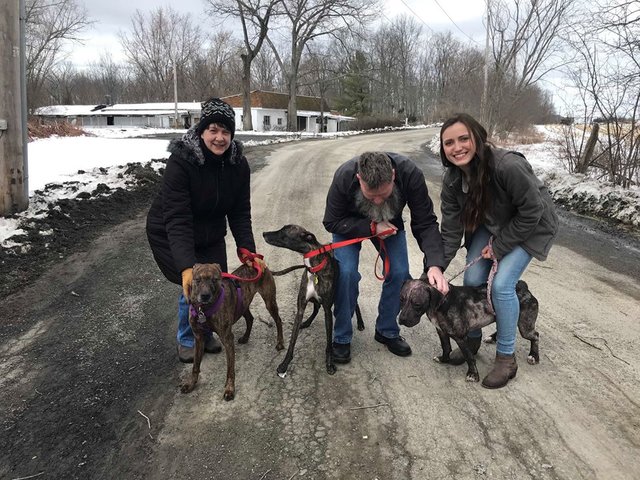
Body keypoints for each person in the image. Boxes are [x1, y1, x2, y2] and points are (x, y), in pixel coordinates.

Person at [439, 113, 558, 389]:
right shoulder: (453, 180)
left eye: (463, 138)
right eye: (449, 143)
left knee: (502, 284)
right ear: (443, 149)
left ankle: (506, 356)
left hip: (532, 224)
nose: (457, 147)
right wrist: (435, 267)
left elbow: (533, 210)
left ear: (478, 138)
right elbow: (451, 231)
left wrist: (500, 247)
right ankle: (473, 340)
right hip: (494, 221)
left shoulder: (508, 166)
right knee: (471, 279)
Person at [146, 97, 263, 363]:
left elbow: (240, 212)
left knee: (215, 282)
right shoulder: (181, 163)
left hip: (209, 229)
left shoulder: (238, 165)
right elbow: (176, 218)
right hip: (168, 229)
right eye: (213, 130)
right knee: (192, 283)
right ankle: (189, 338)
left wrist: (247, 250)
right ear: (201, 132)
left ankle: (207, 331)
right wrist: (187, 266)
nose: (220, 138)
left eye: (226, 131)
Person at [323, 151, 449, 363]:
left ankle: (387, 330)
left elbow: (425, 222)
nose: (379, 201)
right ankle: (342, 336)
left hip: (390, 223)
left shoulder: (410, 173)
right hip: (347, 225)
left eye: (385, 194)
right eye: (372, 196)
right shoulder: (344, 176)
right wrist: (371, 227)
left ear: (393, 175)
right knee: (346, 274)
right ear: (359, 179)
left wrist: (435, 264)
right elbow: (331, 221)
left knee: (399, 272)